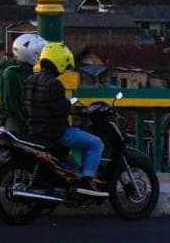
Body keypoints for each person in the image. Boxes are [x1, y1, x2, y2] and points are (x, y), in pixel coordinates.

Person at [23, 42, 107, 197]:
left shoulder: (29, 80)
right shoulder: (54, 84)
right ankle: (87, 180)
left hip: (34, 131)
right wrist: (73, 108)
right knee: (96, 143)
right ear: (59, 62)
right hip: (56, 133)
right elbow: (61, 111)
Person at [0, 34, 47, 133]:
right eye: (38, 53)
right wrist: (24, 123)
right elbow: (11, 104)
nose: (41, 56)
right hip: (14, 116)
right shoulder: (11, 73)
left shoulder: (30, 69)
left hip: (27, 115)